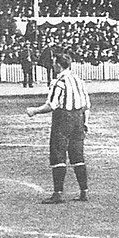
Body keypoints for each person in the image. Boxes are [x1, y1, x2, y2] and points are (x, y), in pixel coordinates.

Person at [26, 53, 91, 204]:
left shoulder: (59, 82)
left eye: (54, 64)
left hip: (63, 119)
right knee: (77, 155)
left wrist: (34, 111)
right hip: (78, 119)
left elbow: (51, 105)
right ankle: (84, 192)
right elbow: (87, 105)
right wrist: (86, 123)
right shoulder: (79, 80)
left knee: (58, 154)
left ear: (58, 66)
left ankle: (58, 193)